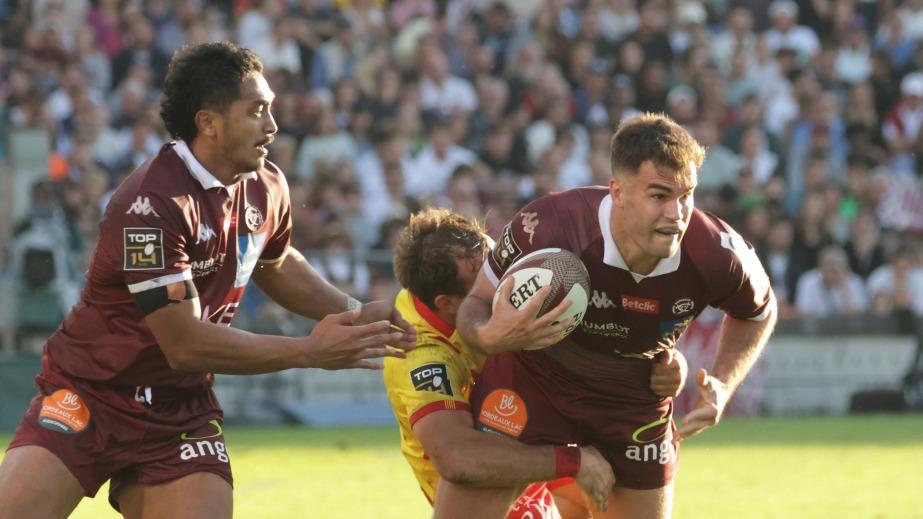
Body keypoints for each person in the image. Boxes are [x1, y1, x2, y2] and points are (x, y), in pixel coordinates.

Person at [0, 41, 415, 519]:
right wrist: (310, 352)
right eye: (257, 111)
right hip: (92, 393)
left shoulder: (267, 185)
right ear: (209, 123)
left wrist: (354, 312)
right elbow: (186, 344)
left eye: (271, 110)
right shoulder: (151, 204)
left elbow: (275, 262)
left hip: (181, 408)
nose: (273, 127)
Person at [450, 113, 778, 519]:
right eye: (659, 196)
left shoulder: (718, 253)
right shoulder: (551, 224)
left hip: (633, 400)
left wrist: (724, 384)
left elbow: (759, 312)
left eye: (686, 195)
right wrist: (486, 338)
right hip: (532, 379)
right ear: (618, 192)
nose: (677, 213)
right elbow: (475, 304)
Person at [383, 208, 688, 519]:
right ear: (448, 304)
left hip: (527, 443)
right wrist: (574, 461)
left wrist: (668, 361)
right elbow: (458, 458)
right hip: (487, 478)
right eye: (485, 280)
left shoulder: (497, 287)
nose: (506, 280)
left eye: (498, 267)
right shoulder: (419, 353)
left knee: (616, 495)